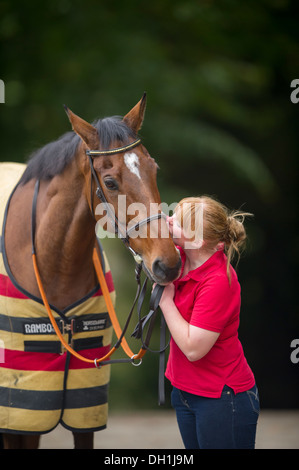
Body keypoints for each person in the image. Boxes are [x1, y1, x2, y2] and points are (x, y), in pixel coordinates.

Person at [158, 196, 259, 449]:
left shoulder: (218, 281)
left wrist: (165, 302)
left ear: (199, 241)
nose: (169, 221)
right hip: (184, 392)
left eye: (178, 222)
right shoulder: (179, 259)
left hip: (222, 399)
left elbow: (194, 349)